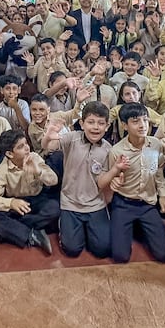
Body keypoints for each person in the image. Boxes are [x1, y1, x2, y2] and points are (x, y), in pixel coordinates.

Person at [100, 103, 165, 264]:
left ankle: (138, 228)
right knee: (120, 256)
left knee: (164, 256)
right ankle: (128, 228)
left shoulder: (155, 144)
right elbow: (110, 179)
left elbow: (159, 170)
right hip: (123, 204)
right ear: (125, 125)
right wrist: (115, 181)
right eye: (135, 121)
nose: (142, 125)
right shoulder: (117, 151)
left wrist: (163, 195)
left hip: (147, 204)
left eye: (145, 120)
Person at [42, 101, 112, 259]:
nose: (95, 127)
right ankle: (68, 228)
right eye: (91, 122)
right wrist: (48, 136)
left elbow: (106, 182)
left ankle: (89, 231)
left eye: (101, 123)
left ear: (107, 126)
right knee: (72, 250)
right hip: (70, 203)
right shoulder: (71, 139)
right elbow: (48, 146)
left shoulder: (108, 149)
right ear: (82, 123)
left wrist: (106, 200)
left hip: (95, 204)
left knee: (102, 250)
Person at [0, 130, 59, 254]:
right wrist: (11, 203)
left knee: (55, 209)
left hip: (37, 199)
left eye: (26, 144)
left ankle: (8, 233)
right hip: (17, 203)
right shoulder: (2, 170)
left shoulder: (34, 157)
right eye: (20, 147)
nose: (27, 148)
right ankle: (32, 235)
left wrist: (38, 172)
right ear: (9, 153)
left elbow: (54, 180)